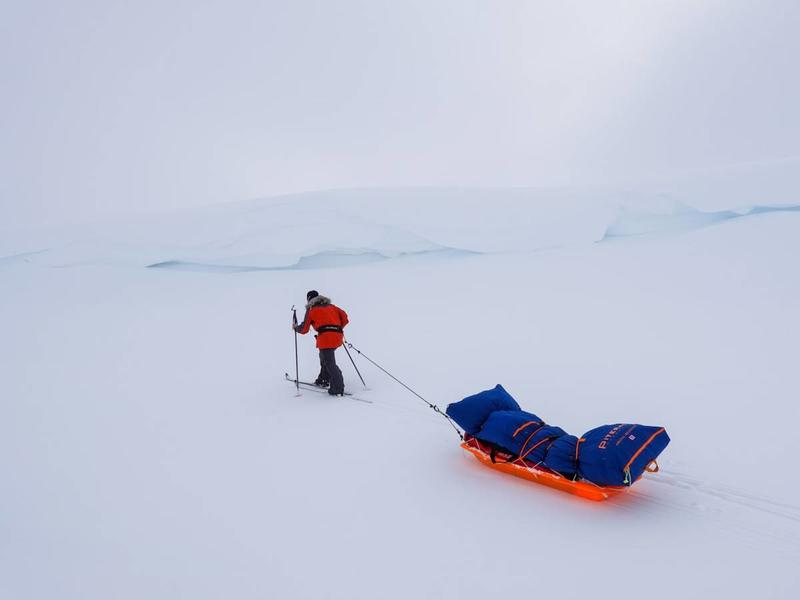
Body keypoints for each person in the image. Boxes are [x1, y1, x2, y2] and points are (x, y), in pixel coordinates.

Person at [293, 290, 349, 396]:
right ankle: (324, 379)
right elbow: (345, 318)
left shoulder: (311, 309)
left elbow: (304, 329)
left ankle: (337, 388)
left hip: (325, 338)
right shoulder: (332, 306)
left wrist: (296, 328)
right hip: (337, 336)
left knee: (329, 362)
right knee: (324, 358)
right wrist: (336, 327)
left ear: (309, 299)